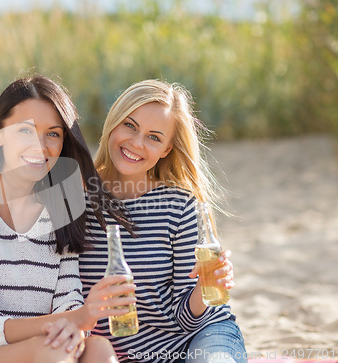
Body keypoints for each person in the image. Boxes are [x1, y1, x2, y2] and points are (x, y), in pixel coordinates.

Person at [0, 74, 136, 363]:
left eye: (53, 133)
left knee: (99, 350)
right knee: (51, 351)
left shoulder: (60, 207)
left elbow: (67, 301)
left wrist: (75, 326)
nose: (40, 145)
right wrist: (76, 319)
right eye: (25, 131)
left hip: (44, 351)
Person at [79, 79, 247, 363]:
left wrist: (204, 288)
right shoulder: (74, 199)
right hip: (112, 352)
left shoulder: (179, 205)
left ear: (166, 150)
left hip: (197, 337)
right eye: (130, 126)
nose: (136, 143)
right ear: (113, 123)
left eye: (154, 137)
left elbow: (186, 321)